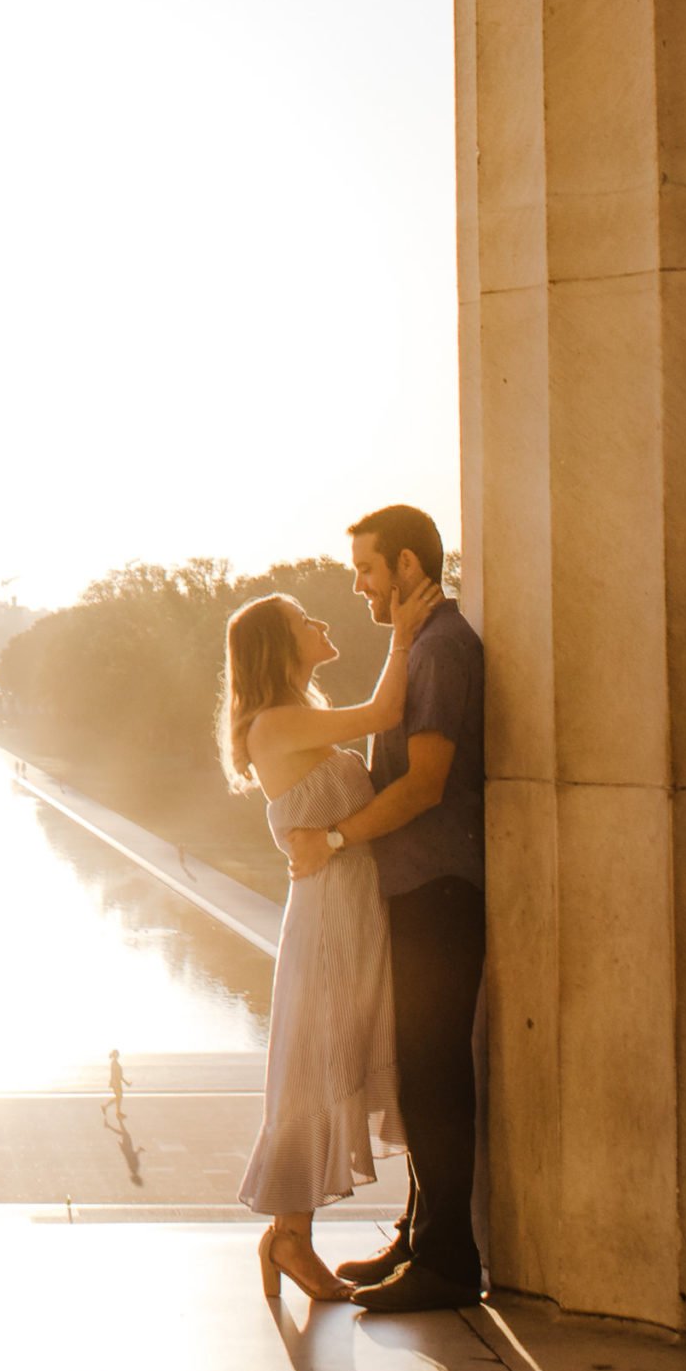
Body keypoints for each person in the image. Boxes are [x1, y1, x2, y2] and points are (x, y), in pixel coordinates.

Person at [285, 505, 486, 1313]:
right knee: (420, 1069)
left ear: (406, 566)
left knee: (436, 1074)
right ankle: (418, 1234)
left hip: (437, 891)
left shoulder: (442, 649)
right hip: (416, 891)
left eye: (366, 568)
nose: (360, 584)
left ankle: (446, 1261)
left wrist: (333, 837)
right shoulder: (423, 646)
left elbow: (425, 783)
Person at [225, 574, 439, 1301]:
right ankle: (290, 1234)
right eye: (302, 617)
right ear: (279, 646)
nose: (319, 619)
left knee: (337, 1060)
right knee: (314, 1069)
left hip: (352, 912)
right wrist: (403, 631)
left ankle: (300, 1232)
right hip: (327, 923)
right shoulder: (275, 725)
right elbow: (386, 710)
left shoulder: (298, 716)